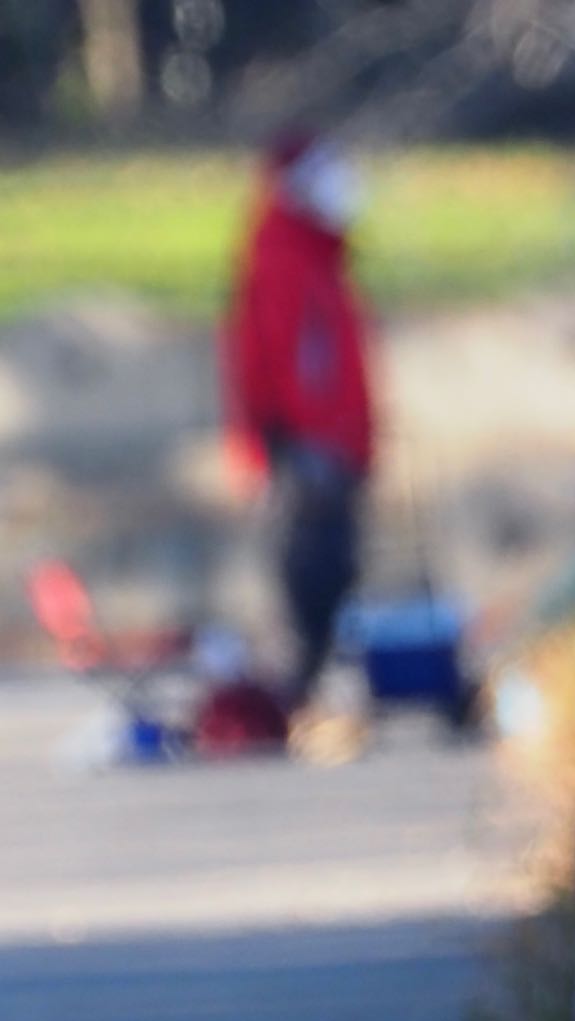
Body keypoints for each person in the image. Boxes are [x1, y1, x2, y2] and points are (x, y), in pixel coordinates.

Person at [221, 129, 374, 712]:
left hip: (333, 444)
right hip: (311, 448)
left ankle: (309, 687)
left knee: (336, 568)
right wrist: (298, 442)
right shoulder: (283, 256)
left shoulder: (316, 254)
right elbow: (281, 361)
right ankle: (299, 691)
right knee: (311, 570)